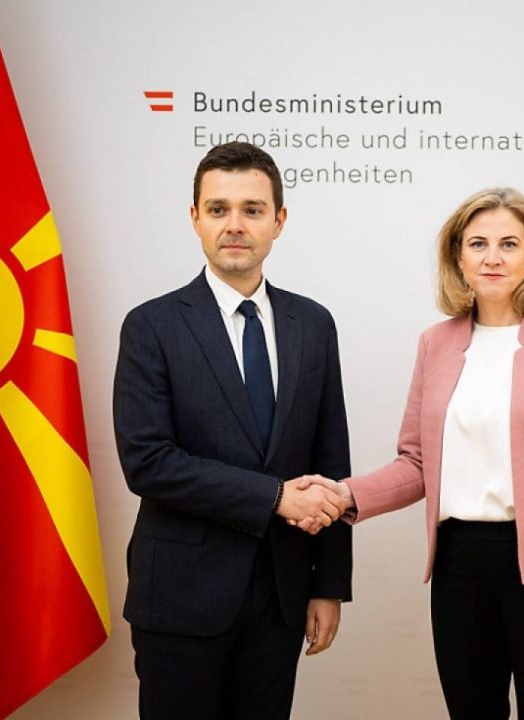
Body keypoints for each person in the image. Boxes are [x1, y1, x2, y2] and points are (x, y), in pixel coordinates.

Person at [297, 187, 524, 719]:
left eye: (508, 244)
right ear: (458, 257)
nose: (493, 257)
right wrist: (342, 495)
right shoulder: (436, 343)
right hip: (459, 566)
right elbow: (417, 464)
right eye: (478, 244)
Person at [113, 141, 352, 720]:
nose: (235, 225)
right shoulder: (151, 325)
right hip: (180, 597)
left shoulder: (313, 324)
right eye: (219, 209)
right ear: (195, 218)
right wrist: (274, 497)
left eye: (253, 209)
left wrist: (328, 583)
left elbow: (331, 459)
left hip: (281, 595)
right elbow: (148, 462)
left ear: (279, 220)